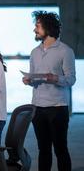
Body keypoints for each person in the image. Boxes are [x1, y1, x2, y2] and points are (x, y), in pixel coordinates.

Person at [22, 11, 76, 171]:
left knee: (61, 150)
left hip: (58, 108)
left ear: (48, 27)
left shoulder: (65, 51)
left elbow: (71, 80)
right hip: (38, 108)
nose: (34, 30)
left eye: (37, 26)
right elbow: (34, 79)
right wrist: (28, 81)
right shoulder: (34, 52)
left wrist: (54, 78)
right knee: (43, 150)